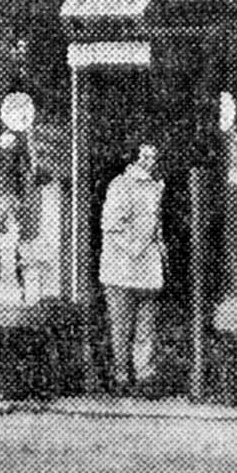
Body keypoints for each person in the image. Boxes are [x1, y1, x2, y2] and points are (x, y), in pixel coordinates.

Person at [100, 143, 165, 397]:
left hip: (147, 269)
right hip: (122, 270)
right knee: (121, 326)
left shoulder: (154, 185)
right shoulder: (121, 185)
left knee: (146, 326)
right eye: (145, 156)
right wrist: (135, 249)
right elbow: (112, 227)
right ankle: (121, 375)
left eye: (153, 155)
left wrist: (159, 250)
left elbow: (155, 225)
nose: (150, 160)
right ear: (134, 158)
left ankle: (143, 375)